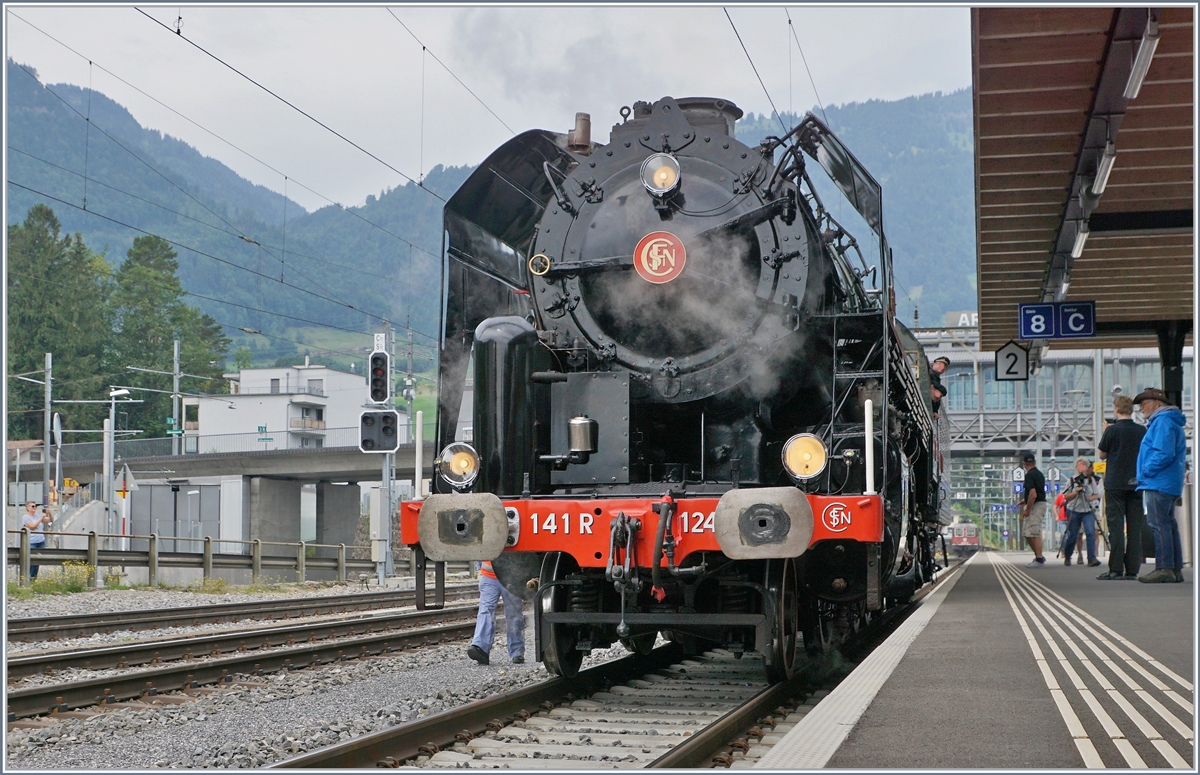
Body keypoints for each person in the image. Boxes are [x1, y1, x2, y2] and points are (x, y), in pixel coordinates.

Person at [1133, 388, 1187, 583]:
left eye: (1144, 405)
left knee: (1159, 525)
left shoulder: (1162, 422)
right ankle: (1174, 568)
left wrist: (1146, 470)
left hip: (1158, 481)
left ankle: (1164, 567)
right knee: (1169, 524)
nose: (1142, 409)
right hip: (1168, 481)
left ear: (1156, 403)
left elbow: (1164, 453)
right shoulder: (1169, 421)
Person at [1097, 394, 1147, 580]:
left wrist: (1105, 432)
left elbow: (1102, 455)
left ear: (1116, 410)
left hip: (1115, 484)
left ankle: (1116, 569)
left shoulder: (1112, 431)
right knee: (1135, 527)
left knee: (1116, 527)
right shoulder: (1141, 430)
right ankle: (1133, 569)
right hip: (1136, 483)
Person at [466, 560, 526, 665]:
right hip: (489, 576)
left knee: (513, 614)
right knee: (486, 610)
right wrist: (478, 568)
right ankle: (480, 648)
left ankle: (517, 652)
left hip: (512, 578)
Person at [1061, 458, 1101, 567]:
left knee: (1090, 532)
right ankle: (1068, 555)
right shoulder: (1071, 480)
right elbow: (1066, 496)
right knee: (1073, 535)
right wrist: (1076, 492)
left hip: (1087, 510)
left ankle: (1091, 558)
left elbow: (1096, 494)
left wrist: (1089, 498)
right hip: (1074, 510)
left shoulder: (1090, 480)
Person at [1019, 452, 1047, 567]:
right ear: (1034, 462)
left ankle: (1039, 559)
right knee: (1027, 532)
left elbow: (1033, 494)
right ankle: (1038, 556)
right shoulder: (1039, 474)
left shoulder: (1029, 475)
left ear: (1024, 463)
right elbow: (1037, 492)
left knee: (1035, 532)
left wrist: (1027, 509)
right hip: (1037, 503)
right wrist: (1025, 501)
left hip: (1036, 505)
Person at [21, 501, 52, 581]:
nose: (34, 507)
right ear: (27, 508)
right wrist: (41, 518)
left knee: (37, 560)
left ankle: (33, 578)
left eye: (35, 506)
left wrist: (49, 513)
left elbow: (50, 520)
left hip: (40, 541)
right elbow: (33, 526)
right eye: (32, 506)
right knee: (31, 560)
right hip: (32, 541)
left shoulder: (38, 516)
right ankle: (29, 578)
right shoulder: (25, 517)